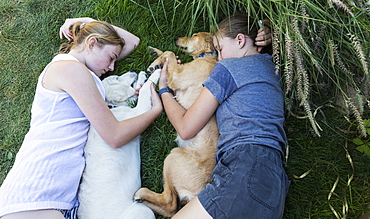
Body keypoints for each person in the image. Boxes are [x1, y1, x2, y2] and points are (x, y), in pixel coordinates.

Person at [0, 17, 163, 219]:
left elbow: (132, 42)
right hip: (35, 190)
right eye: (111, 57)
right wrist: (154, 111)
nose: (112, 67)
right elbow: (115, 135)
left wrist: (86, 22)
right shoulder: (70, 70)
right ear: (92, 43)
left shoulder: (80, 71)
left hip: (59, 200)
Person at [158, 14, 289, 218]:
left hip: (244, 170)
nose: (217, 58)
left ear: (240, 40)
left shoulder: (227, 68)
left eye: (219, 49)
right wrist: (269, 29)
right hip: (275, 184)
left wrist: (164, 89)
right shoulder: (273, 68)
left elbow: (185, 128)